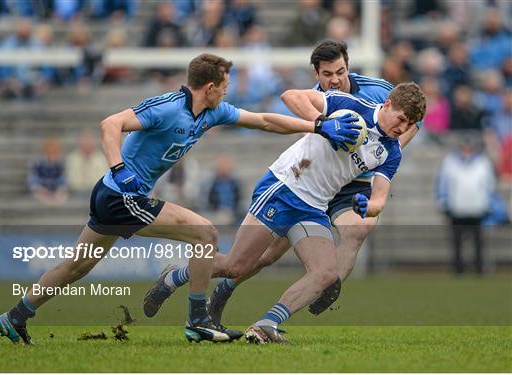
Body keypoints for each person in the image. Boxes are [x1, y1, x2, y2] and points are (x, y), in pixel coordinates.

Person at [0, 53, 358, 345]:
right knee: (206, 233)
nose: (228, 93)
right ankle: (198, 320)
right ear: (211, 87)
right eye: (226, 86)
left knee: (77, 266)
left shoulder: (213, 111)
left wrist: (316, 126)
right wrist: (119, 167)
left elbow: (263, 119)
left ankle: (14, 317)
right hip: (121, 194)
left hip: (114, 198)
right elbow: (110, 124)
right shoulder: (167, 108)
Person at [146, 40, 423, 326]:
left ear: (348, 67)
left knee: (342, 250)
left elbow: (409, 123)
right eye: (327, 74)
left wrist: (383, 151)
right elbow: (292, 99)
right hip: (293, 185)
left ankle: (275, 320)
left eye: (340, 71)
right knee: (252, 260)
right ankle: (192, 280)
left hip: (339, 189)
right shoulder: (333, 99)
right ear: (317, 74)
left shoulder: (380, 94)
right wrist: (321, 123)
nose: (335, 80)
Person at [436, 137, 496, 274]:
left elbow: (489, 186)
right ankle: (458, 270)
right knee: (457, 243)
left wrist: (489, 204)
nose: (467, 151)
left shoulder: (483, 162)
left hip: (478, 209)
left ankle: (479, 269)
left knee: (478, 243)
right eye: (464, 148)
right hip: (456, 209)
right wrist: (444, 203)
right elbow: (442, 184)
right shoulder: (450, 162)